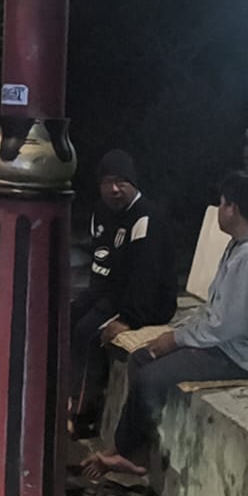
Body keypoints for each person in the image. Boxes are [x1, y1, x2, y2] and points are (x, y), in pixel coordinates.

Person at [84, 171, 248, 478]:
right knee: (141, 357)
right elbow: (217, 311)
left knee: (150, 377)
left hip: (244, 354)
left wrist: (176, 339)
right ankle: (129, 449)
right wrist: (179, 335)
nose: (218, 209)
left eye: (222, 203)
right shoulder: (241, 246)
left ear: (233, 209)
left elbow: (226, 326)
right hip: (228, 342)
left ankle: (129, 454)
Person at [68, 149, 177, 438]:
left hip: (147, 302)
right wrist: (88, 299)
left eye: (121, 182)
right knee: (68, 318)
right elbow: (100, 261)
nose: (114, 189)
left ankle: (83, 413)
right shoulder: (101, 211)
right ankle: (67, 393)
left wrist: (128, 319)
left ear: (133, 183)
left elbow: (147, 277)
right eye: (108, 182)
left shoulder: (145, 217)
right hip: (112, 292)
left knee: (89, 334)